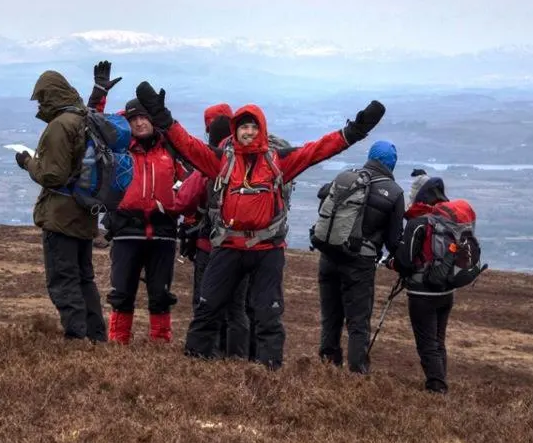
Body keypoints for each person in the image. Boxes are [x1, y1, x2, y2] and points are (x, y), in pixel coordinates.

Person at [134, 81, 386, 369]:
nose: (249, 132)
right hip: (228, 246)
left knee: (268, 315)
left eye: (254, 127)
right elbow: (187, 144)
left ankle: (268, 375)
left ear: (262, 129)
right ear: (235, 130)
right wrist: (161, 116)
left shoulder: (279, 161)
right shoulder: (220, 161)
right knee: (207, 309)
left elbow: (319, 150)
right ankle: (194, 369)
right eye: (243, 127)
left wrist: (355, 130)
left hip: (268, 250)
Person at [16, 70, 106, 342]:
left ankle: (77, 340)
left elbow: (52, 175)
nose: (40, 105)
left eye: (41, 98)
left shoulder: (60, 125)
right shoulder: (85, 119)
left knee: (64, 280)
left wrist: (27, 162)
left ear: (51, 95)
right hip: (84, 213)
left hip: (62, 216)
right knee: (84, 280)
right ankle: (96, 338)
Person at [103, 97, 190, 344]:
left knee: (160, 295)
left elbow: (191, 183)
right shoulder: (118, 149)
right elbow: (92, 132)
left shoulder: (170, 149)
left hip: (163, 233)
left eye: (144, 117)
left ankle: (160, 347)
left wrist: (178, 207)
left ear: (152, 120)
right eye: (133, 119)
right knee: (122, 293)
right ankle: (118, 344)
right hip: (126, 232)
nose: (140, 123)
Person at [313, 140, 405, 373]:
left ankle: (326, 369)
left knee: (330, 318)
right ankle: (357, 375)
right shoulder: (394, 193)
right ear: (392, 163)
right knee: (358, 323)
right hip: (359, 263)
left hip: (329, 256)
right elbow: (394, 241)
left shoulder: (346, 177)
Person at [176, 105, 252, 358]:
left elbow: (185, 199)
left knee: (206, 303)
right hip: (247, 247)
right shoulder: (252, 158)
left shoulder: (212, 160)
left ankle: (205, 355)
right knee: (238, 308)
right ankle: (238, 358)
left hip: (210, 247)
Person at [399, 170, 456, 394]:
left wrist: (394, 264)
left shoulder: (418, 224)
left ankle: (436, 388)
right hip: (446, 290)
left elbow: (405, 261)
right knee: (438, 340)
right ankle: (440, 381)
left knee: (426, 342)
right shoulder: (449, 221)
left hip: (422, 293)